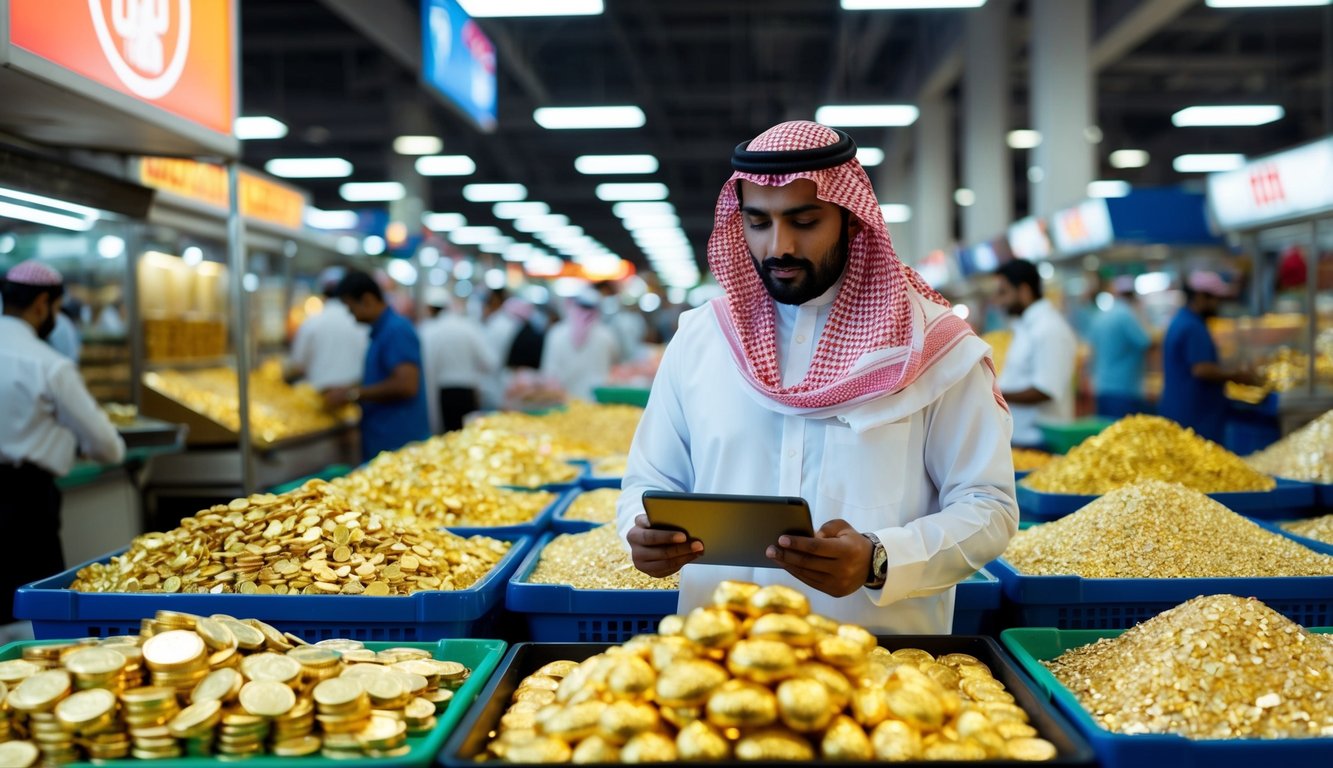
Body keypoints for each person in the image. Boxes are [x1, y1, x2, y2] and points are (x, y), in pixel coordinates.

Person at [615, 121, 1016, 633]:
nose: (778, 246)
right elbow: (649, 480)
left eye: (803, 221)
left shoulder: (933, 346)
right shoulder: (701, 339)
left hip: (881, 674)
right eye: (757, 222)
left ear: (851, 219)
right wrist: (640, 533)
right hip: (720, 668)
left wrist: (881, 559)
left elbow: (989, 507)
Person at [0, 260, 125, 626]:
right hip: (26, 504)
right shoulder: (48, 365)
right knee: (33, 608)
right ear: (42, 304)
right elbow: (107, 444)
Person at [323, 270, 430, 462]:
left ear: (367, 300)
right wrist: (349, 387)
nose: (351, 315)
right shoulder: (381, 333)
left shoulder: (396, 331)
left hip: (398, 442)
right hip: (385, 439)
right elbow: (381, 377)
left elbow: (407, 385)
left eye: (351, 308)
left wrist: (353, 394)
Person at [1159, 271, 1259, 444]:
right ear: (1200, 297)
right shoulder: (1193, 327)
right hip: (1195, 417)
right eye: (1215, 300)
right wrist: (1238, 376)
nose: (1218, 305)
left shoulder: (1181, 320)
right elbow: (1201, 369)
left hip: (1181, 410)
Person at [992, 259, 1078, 448]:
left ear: (1024, 291)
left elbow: (1045, 390)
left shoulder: (1049, 329)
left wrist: (994, 394)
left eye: (1003, 292)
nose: (999, 301)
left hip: (1041, 440)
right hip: (1021, 436)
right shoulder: (1026, 327)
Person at [421, 294, 498, 432]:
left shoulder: (431, 330)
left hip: (442, 392)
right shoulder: (468, 327)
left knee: (448, 436)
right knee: (467, 435)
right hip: (466, 391)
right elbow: (490, 362)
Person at [286, 267, 368, 391]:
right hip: (355, 397)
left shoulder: (311, 323)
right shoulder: (362, 323)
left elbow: (297, 365)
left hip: (320, 399)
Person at [1086, 275, 1152, 419]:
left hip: (1102, 388)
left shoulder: (1101, 316)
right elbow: (1146, 343)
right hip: (1124, 390)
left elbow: (1092, 351)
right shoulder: (1126, 316)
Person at [541, 288, 619, 402]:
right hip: (588, 400)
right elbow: (615, 364)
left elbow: (548, 371)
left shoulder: (556, 333)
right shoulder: (607, 334)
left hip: (567, 401)